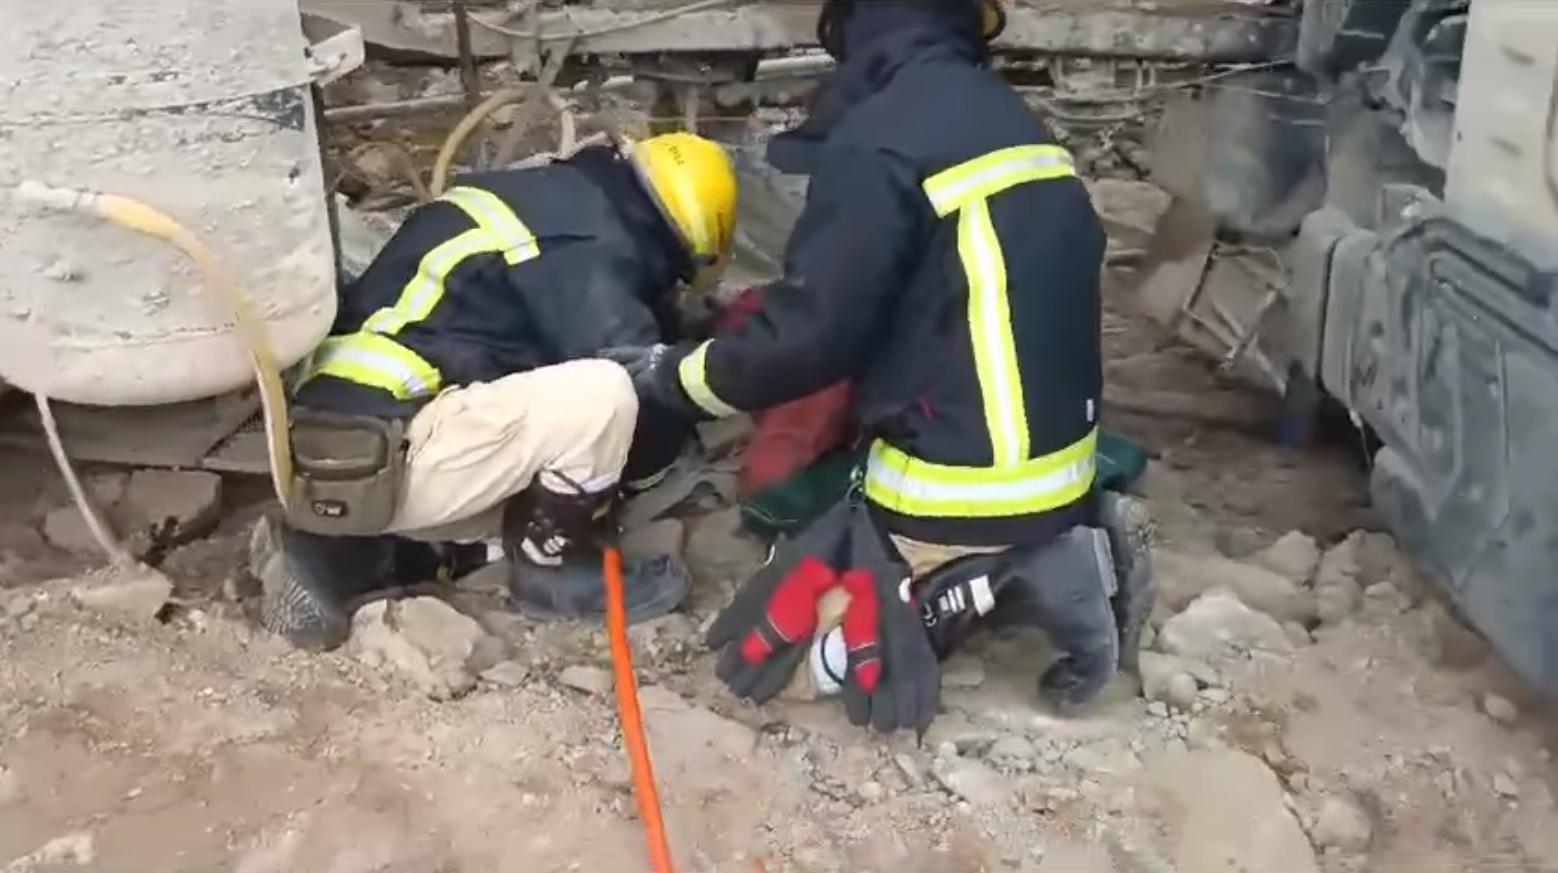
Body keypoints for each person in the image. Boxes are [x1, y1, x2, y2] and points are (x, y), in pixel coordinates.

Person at [609, 0, 1154, 732]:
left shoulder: (880, 139)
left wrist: (672, 377)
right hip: (1058, 460)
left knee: (796, 663)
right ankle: (1051, 540)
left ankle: (1008, 575)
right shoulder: (1009, 119)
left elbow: (813, 334)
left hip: (965, 486)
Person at [256, 132, 738, 650]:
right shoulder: (586, 241)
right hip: (396, 456)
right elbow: (640, 378)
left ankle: (346, 554)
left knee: (554, 443)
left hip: (337, 454)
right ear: (684, 242)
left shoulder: (548, 202)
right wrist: (678, 427)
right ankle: (553, 570)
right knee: (607, 394)